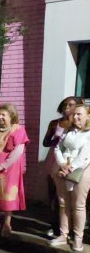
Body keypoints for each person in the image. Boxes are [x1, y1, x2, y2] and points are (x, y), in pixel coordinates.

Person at [0, 103, 29, 237]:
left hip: (9, 170)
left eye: (4, 115)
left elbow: (18, 151)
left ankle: (7, 224)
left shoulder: (18, 130)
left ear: (12, 116)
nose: (1, 117)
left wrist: (3, 165)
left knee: (8, 194)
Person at [50, 104, 90, 252]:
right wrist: (61, 164)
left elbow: (85, 154)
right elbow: (58, 148)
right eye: (74, 114)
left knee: (79, 205)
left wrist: (70, 167)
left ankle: (78, 238)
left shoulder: (88, 134)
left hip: (82, 170)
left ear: (88, 116)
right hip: (63, 168)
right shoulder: (68, 131)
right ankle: (63, 234)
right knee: (63, 203)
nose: (76, 117)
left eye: (80, 114)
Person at [42, 97, 77, 237]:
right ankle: (54, 225)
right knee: (54, 195)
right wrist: (57, 140)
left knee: (71, 195)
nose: (67, 107)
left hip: (72, 162)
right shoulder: (55, 123)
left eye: (71, 105)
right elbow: (45, 142)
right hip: (54, 159)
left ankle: (71, 228)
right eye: (65, 105)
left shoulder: (80, 124)